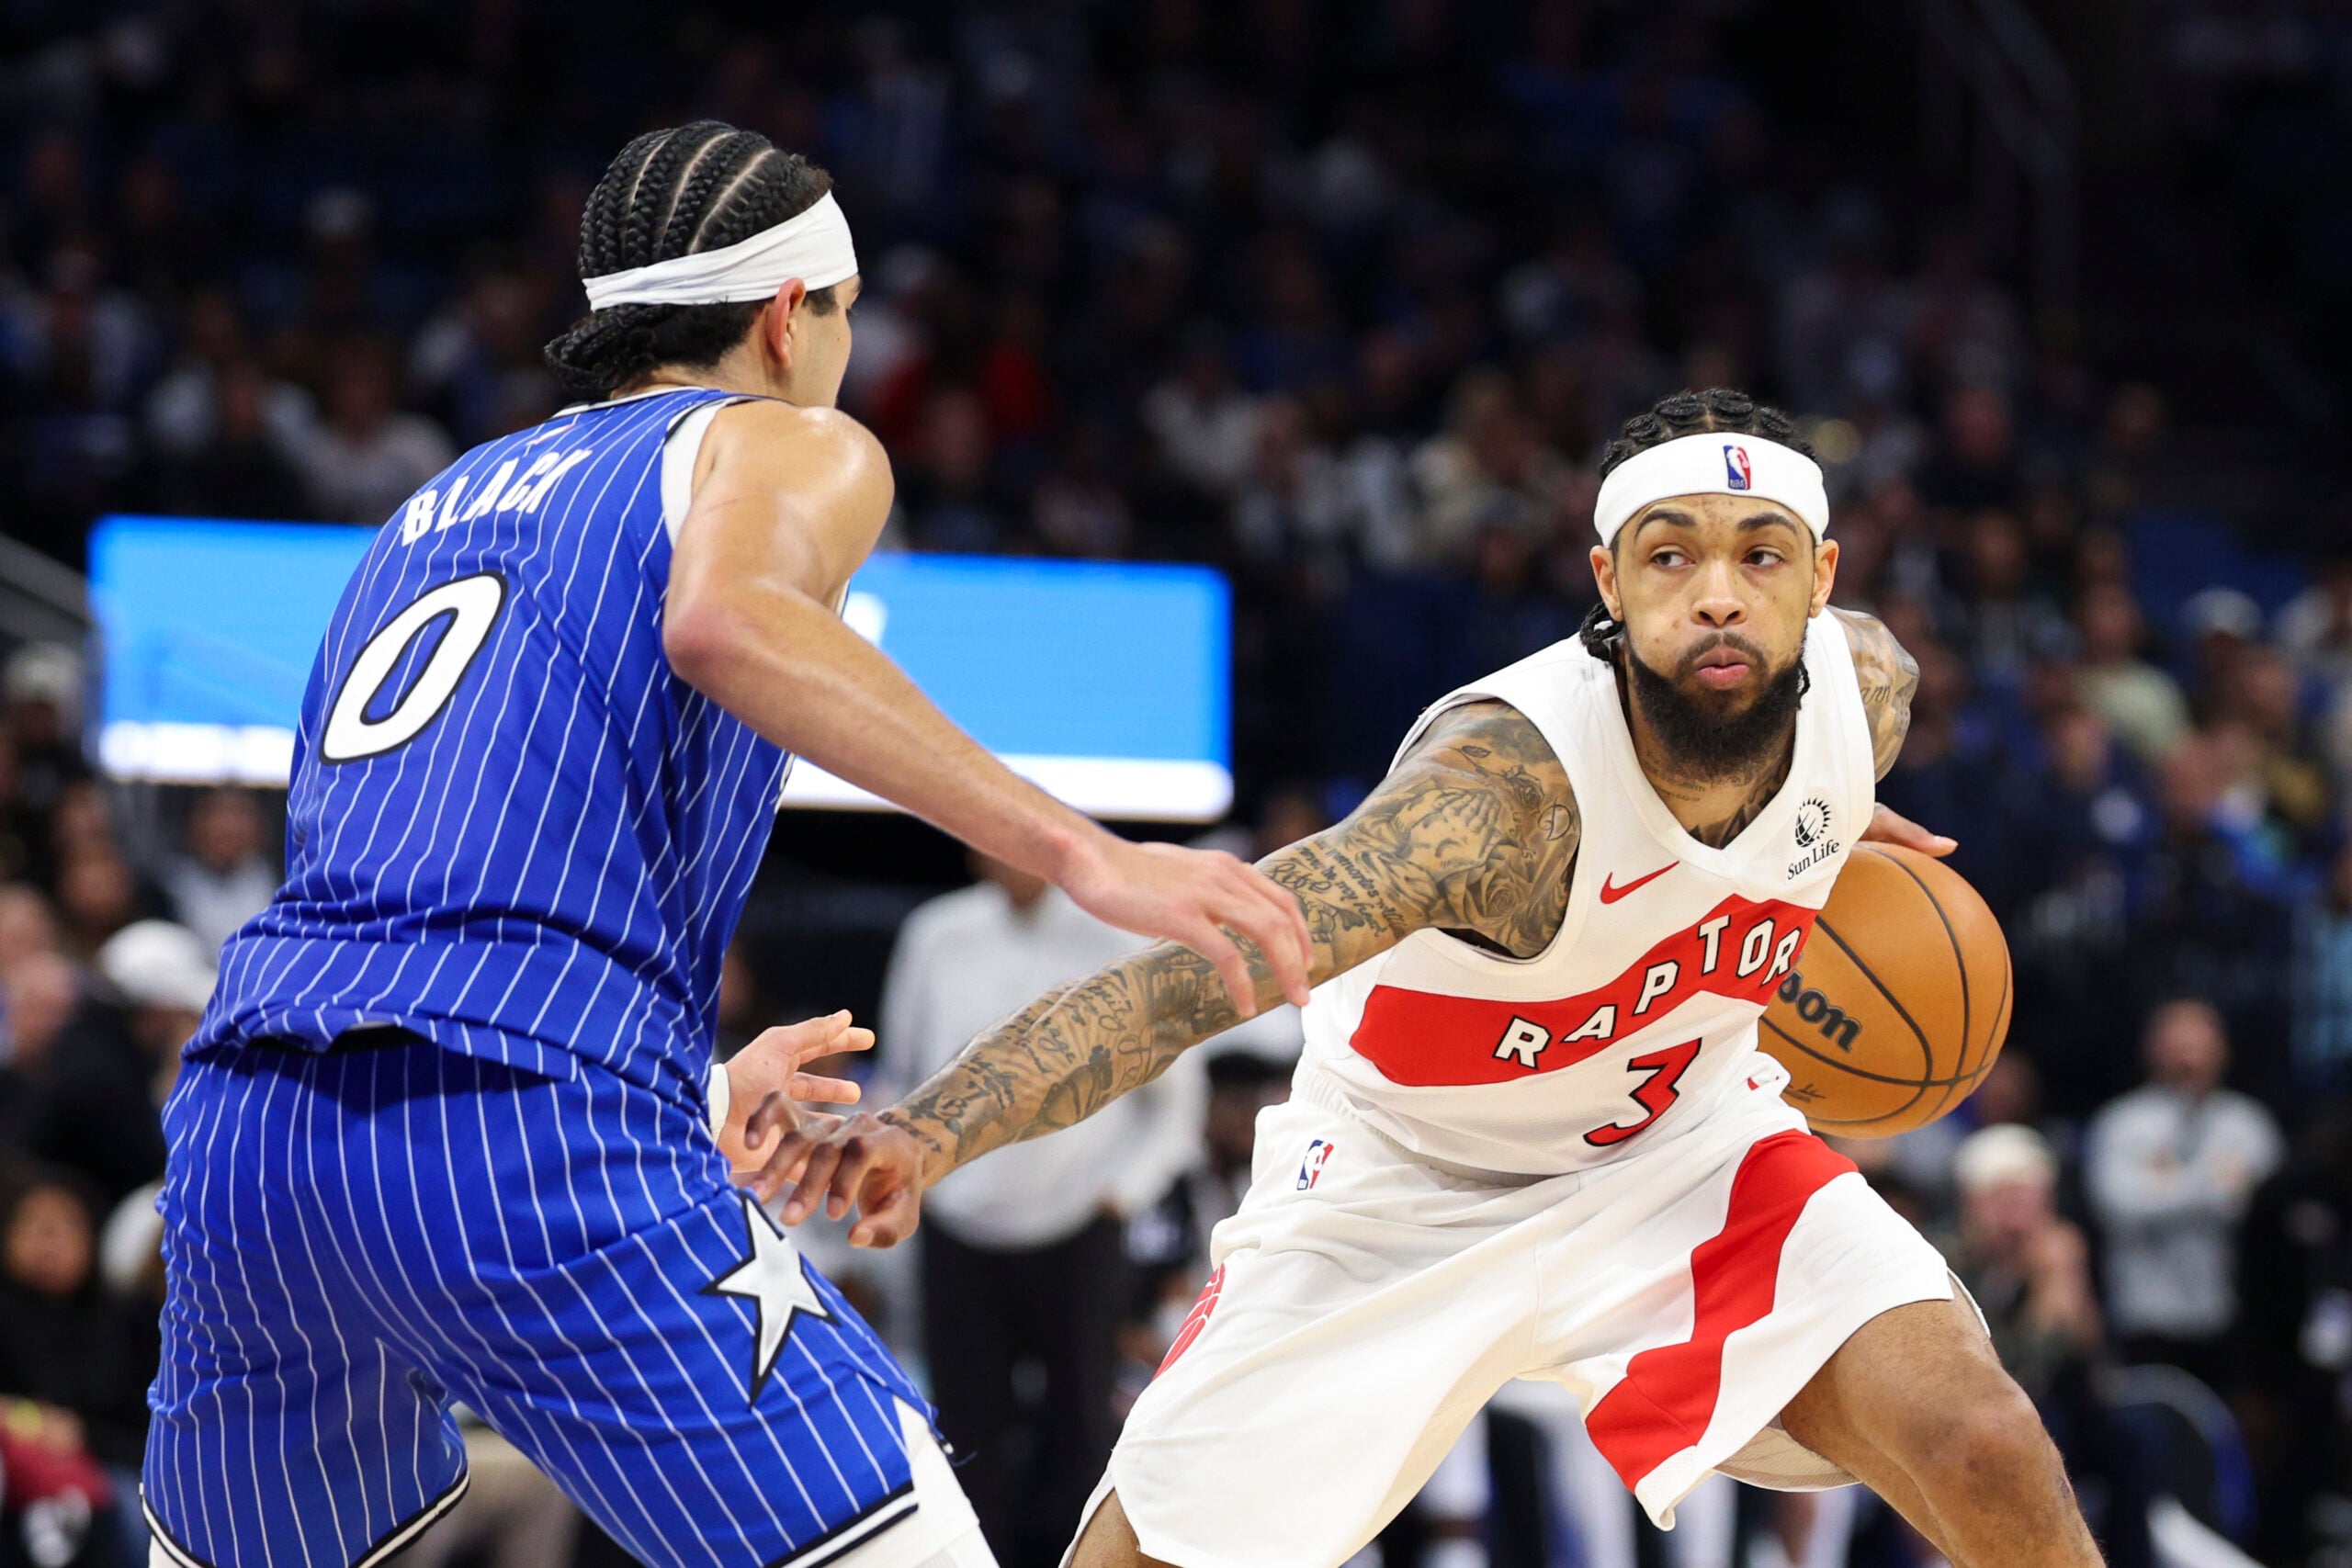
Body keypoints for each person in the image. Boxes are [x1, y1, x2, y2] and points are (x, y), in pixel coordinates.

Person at [141, 119, 1309, 1568]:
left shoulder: (427, 510)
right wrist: (1086, 850)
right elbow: (726, 619)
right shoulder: (782, 436)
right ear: (786, 314)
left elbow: (410, 911)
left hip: (250, 1133)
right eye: (848, 311)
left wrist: (677, 1084)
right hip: (526, 1127)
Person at [772, 389, 2109, 1568]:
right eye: (1671, 554)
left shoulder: (1862, 694)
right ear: (1607, 580)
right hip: (1395, 1191)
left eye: (1762, 556)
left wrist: (1815, 817)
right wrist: (931, 1125)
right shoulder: (1495, 799)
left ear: (1822, 578)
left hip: (1682, 1157)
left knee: (1983, 1436)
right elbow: (1178, 983)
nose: (1719, 590)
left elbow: (1812, 764)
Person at [877, 852, 1204, 1568]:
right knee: (962, 1436)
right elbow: (901, 1075)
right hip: (960, 1224)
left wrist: (1120, 1195)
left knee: (1085, 1429)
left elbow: (1177, 1103)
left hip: (1078, 1224)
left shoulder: (1117, 938)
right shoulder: (937, 932)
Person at [2084, 998, 2284, 1387]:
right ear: (2153, 1050)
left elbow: (2259, 1210)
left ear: (2222, 1051)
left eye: (2200, 1046)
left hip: (2228, 1318)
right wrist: (2213, 1182)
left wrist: (2164, 1183)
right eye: (2177, 1046)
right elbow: (2119, 1205)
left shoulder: (2249, 1124)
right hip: (2144, 1320)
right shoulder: (2121, 1123)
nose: (2188, 1059)